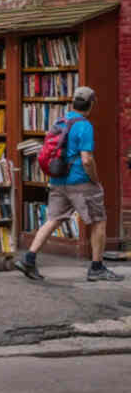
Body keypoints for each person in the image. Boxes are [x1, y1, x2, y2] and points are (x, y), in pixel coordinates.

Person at [17, 86, 122, 282]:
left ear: (73, 102)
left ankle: (29, 258)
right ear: (91, 105)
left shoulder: (60, 121)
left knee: (53, 219)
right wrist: (96, 180)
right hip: (80, 181)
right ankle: (97, 267)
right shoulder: (84, 126)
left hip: (58, 180)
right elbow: (87, 159)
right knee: (98, 220)